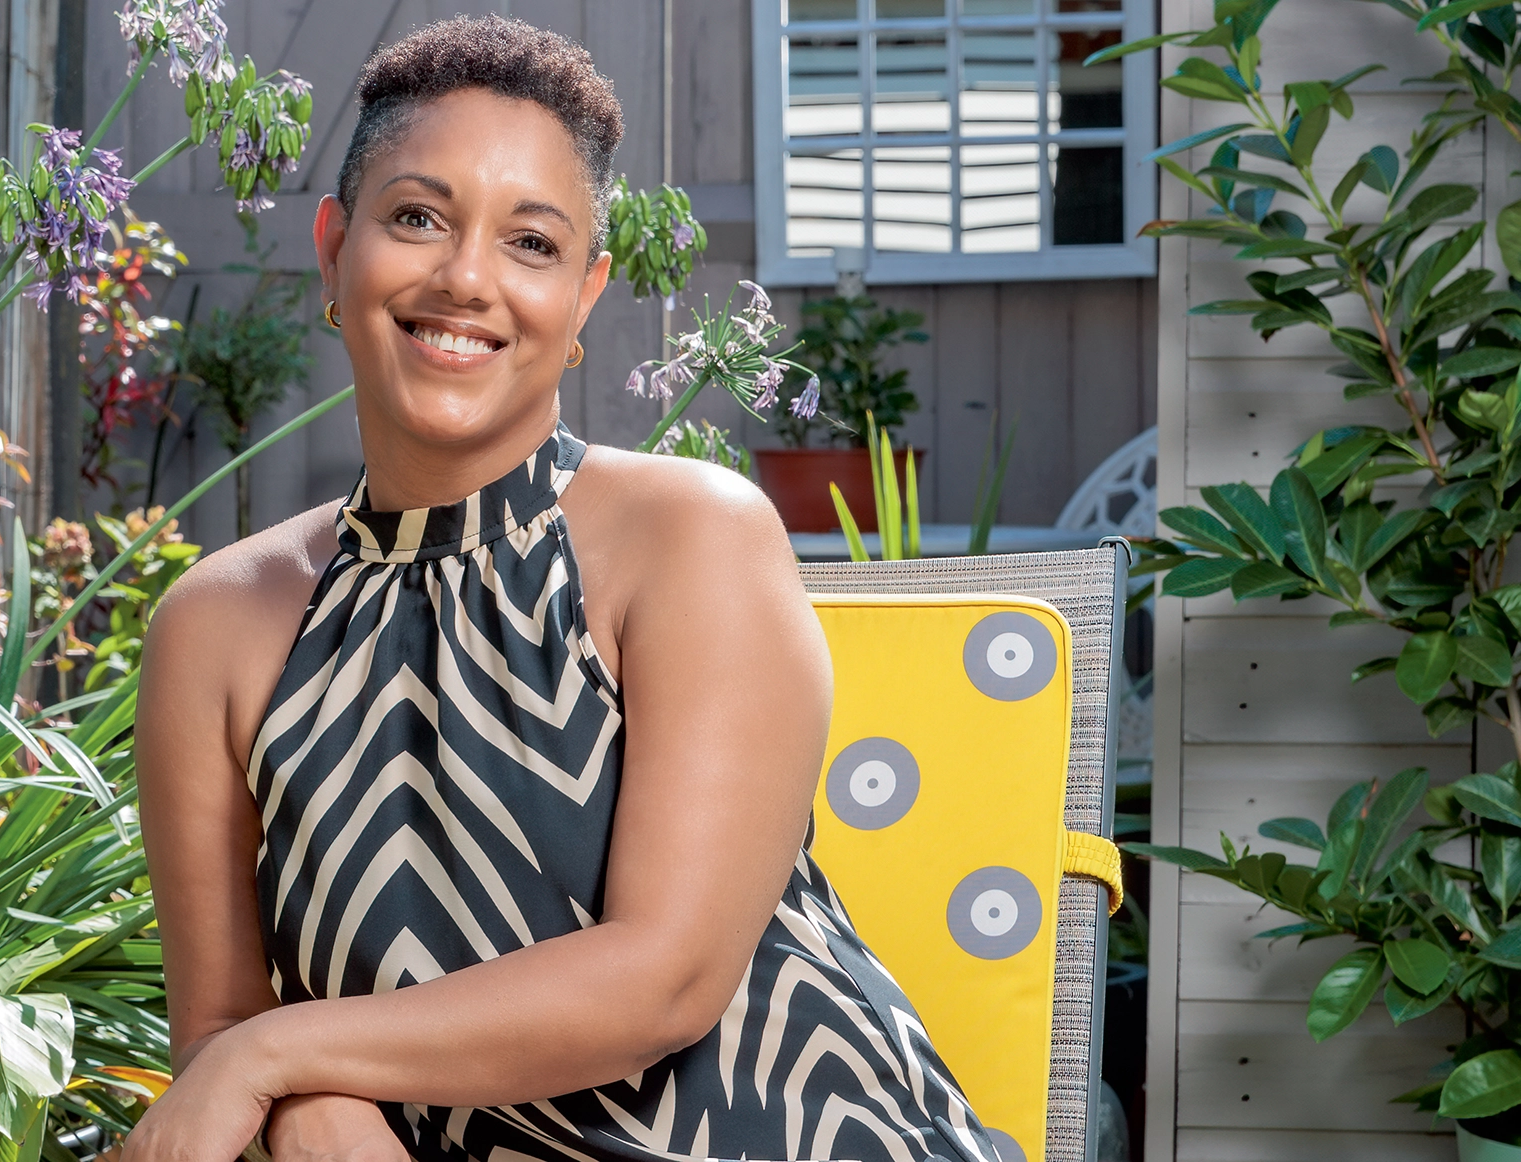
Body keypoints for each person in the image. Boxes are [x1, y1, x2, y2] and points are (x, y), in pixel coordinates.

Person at [126, 16, 997, 1162]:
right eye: (418, 218)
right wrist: (303, 1094)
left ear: (585, 298)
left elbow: (667, 976)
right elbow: (221, 1045)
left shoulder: (692, 536)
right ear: (335, 249)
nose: (467, 278)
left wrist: (277, 1057)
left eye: (531, 243)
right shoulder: (215, 629)